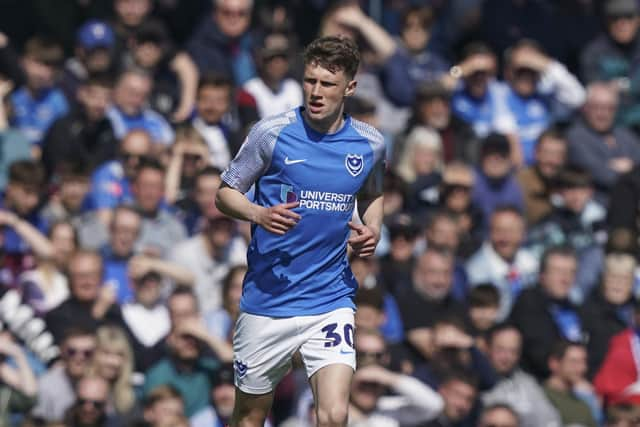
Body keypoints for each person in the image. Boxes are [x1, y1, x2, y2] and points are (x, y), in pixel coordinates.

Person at [215, 36, 384, 427]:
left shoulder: (370, 143)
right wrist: (258, 214)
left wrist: (372, 227)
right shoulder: (271, 133)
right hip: (268, 300)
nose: (316, 92)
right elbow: (225, 195)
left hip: (330, 298)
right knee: (248, 419)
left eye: (327, 84)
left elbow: (373, 194)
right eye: (310, 81)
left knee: (334, 414)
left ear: (350, 88)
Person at [566, 82, 640, 202]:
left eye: (609, 108)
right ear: (586, 108)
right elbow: (605, 176)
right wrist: (632, 169)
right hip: (598, 206)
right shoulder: (576, 137)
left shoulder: (624, 134)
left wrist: (628, 168)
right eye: (597, 107)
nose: (603, 114)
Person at [481, 324, 561, 427]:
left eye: (513, 351)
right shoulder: (474, 380)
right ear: (487, 348)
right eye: (500, 349)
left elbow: (550, 421)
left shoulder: (527, 384)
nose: (506, 357)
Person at [41, 73, 117, 180]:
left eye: (107, 99)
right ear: (81, 94)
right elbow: (56, 165)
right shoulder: (63, 127)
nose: (101, 104)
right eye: (95, 97)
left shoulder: (108, 128)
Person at [32, 327, 97, 423]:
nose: (79, 358)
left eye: (87, 353)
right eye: (72, 352)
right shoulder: (46, 385)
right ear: (62, 351)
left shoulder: (102, 382)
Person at [544, 341, 599, 426]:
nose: (582, 368)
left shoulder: (583, 405)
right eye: (574, 362)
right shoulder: (539, 397)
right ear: (554, 363)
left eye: (583, 362)